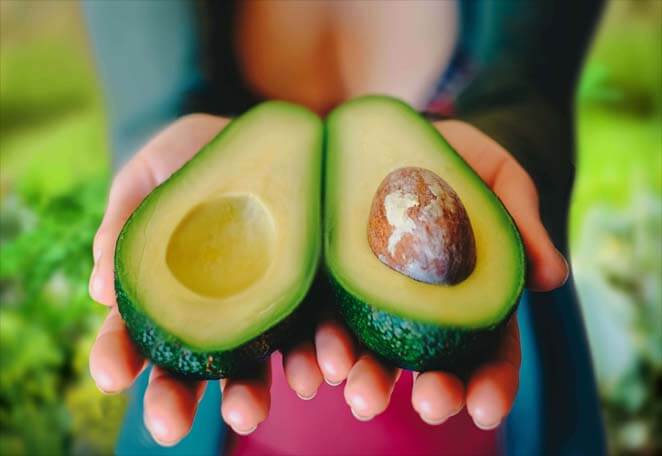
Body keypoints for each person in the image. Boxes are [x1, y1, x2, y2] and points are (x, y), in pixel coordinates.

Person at [84, 1, 606, 454]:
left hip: (488, 429)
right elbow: (143, 111)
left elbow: (536, 99)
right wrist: (159, 148)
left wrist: (513, 152)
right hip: (224, 431)